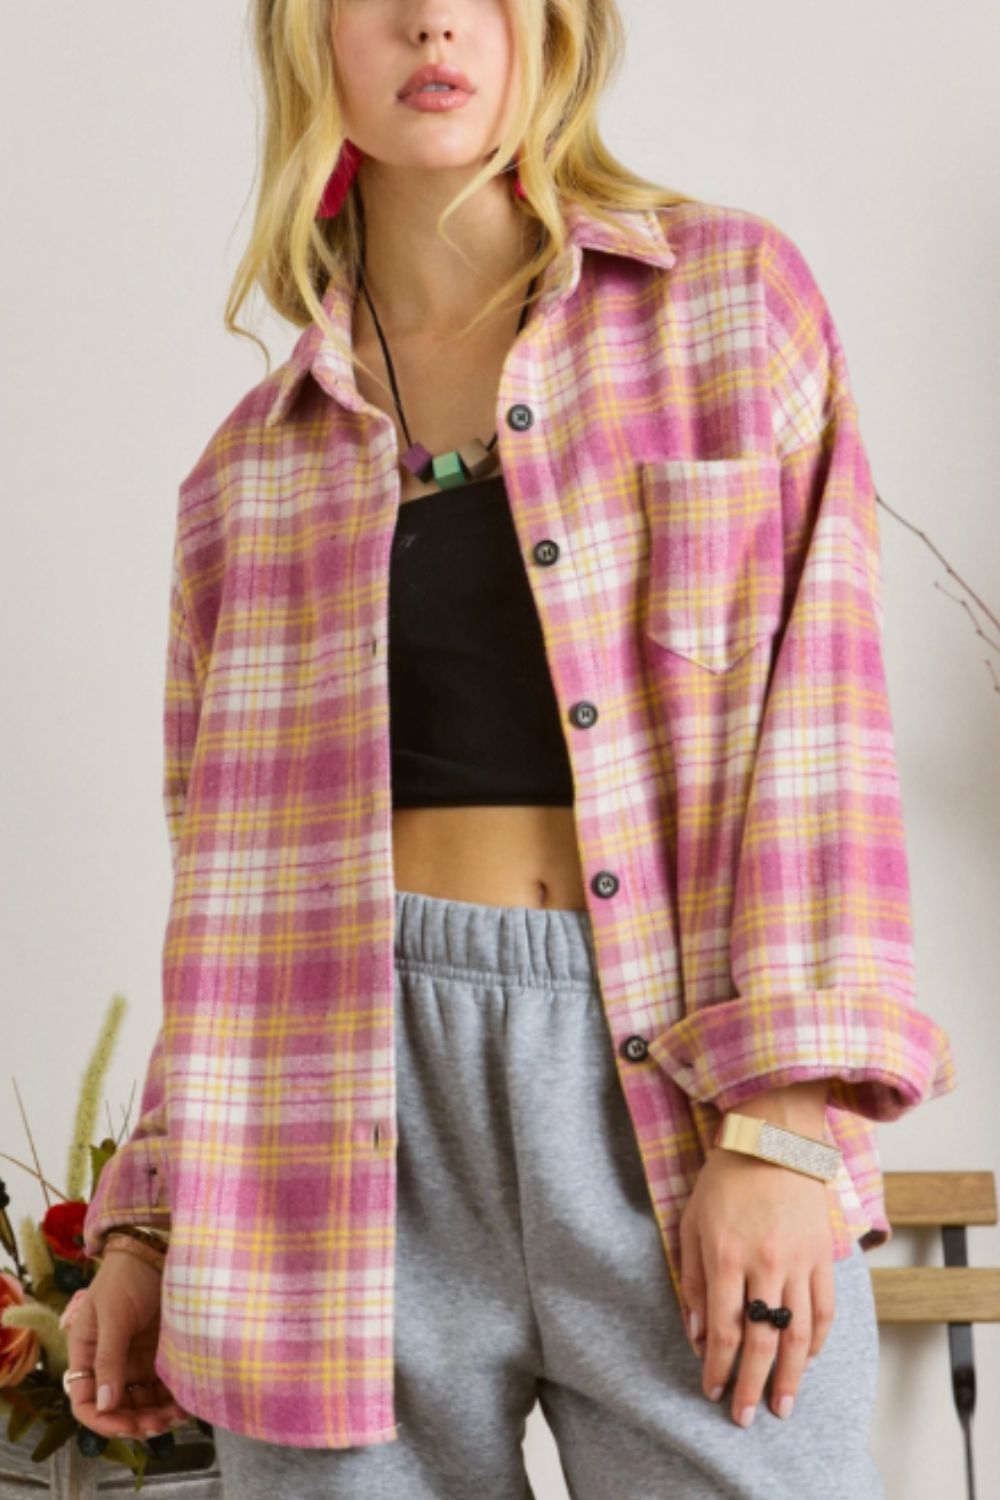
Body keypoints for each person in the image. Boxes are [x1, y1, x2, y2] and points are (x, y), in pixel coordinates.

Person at [65, 0, 957, 1495]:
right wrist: (148, 1224)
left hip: (675, 1086)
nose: (433, 20)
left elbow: (823, 729)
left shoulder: (728, 306)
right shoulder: (245, 478)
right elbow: (222, 911)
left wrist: (783, 1124)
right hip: (324, 1130)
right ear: (308, 39)